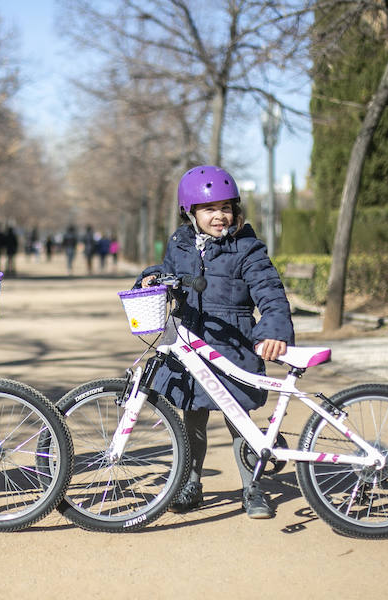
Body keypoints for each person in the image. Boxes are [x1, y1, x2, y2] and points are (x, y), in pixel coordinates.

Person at [138, 165, 294, 519]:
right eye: (210, 209)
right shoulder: (180, 243)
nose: (219, 216)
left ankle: (252, 487)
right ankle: (191, 482)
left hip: (232, 344)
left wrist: (273, 329)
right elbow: (167, 274)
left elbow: (270, 292)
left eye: (226, 208)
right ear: (190, 212)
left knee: (238, 420)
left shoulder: (247, 249)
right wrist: (149, 280)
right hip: (188, 341)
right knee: (191, 419)